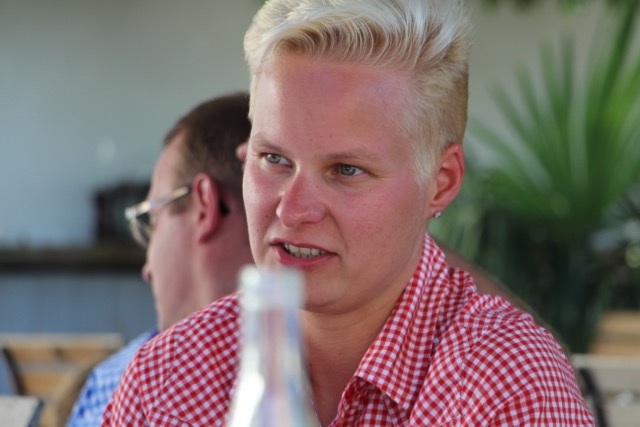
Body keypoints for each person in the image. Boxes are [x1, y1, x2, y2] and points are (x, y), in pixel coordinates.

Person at [104, 0, 595, 425]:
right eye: (274, 159)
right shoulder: (167, 379)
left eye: (346, 170)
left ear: (441, 182)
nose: (293, 209)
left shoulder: (506, 384)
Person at [68, 92, 253, 426]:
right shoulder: (330, 370)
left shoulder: (120, 382)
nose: (147, 269)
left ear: (205, 207)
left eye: (152, 221)